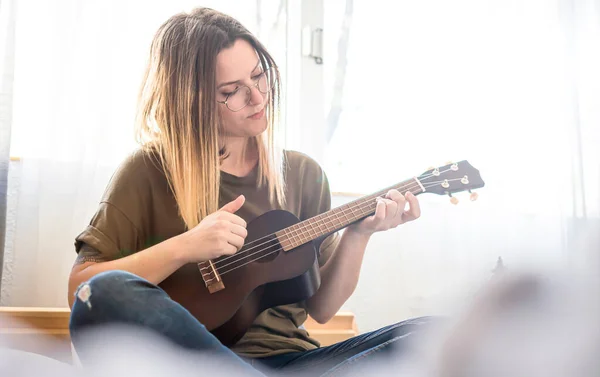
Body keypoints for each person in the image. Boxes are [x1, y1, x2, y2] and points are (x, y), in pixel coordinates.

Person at [67, 7, 427, 376]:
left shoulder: (303, 175)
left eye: (259, 77)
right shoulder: (148, 170)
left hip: (296, 363)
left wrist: (359, 234)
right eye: (232, 91)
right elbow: (83, 290)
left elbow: (321, 309)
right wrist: (184, 247)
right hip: (193, 362)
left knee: (430, 334)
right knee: (108, 291)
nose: (258, 98)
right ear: (191, 100)